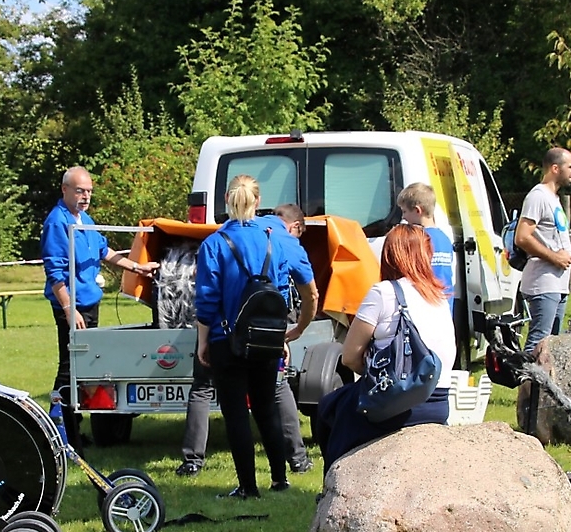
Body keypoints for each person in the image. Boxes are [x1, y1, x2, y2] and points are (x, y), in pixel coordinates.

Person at [195, 176, 317, 498]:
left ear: (226, 199)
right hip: (267, 337)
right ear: (258, 201)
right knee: (266, 407)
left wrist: (203, 341)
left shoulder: (214, 244)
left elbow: (207, 300)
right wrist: (288, 334)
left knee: (236, 412)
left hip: (226, 338)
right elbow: (293, 288)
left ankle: (248, 486)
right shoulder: (274, 239)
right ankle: (279, 478)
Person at [313, 224, 457, 471]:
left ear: (389, 255)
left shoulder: (383, 293)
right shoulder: (439, 296)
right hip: (438, 403)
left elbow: (349, 357)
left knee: (329, 407)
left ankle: (336, 480)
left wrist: (373, 372)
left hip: (398, 402)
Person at [41, 166, 156, 449]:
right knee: (70, 369)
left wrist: (137, 267)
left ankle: (74, 430)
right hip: (73, 307)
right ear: (65, 190)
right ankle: (59, 433)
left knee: (86, 368)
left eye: (89, 191)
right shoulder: (57, 223)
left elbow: (104, 251)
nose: (85, 196)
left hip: (90, 304)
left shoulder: (85, 219)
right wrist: (69, 309)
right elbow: (55, 273)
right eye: (80, 191)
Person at [514, 148, 571, 351]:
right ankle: (527, 374)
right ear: (555, 168)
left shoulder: (554, 198)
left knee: (551, 347)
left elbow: (551, 238)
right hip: (543, 283)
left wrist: (568, 254)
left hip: (558, 284)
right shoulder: (538, 196)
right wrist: (554, 258)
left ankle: (542, 375)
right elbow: (522, 237)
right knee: (538, 343)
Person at [397, 183, 454, 296]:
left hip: (426, 299)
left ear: (417, 210)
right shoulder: (444, 238)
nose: (403, 217)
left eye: (404, 211)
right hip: (445, 300)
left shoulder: (418, 239)